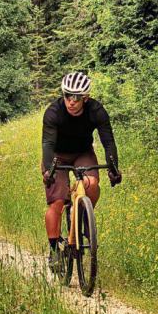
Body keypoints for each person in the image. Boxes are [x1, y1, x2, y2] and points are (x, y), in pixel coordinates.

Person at [41, 71, 122, 266]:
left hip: (82, 153)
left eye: (76, 97)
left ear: (85, 98)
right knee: (57, 202)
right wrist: (48, 171)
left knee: (92, 184)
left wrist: (113, 168)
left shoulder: (96, 111)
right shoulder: (53, 112)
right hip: (57, 157)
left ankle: (83, 216)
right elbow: (48, 144)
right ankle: (54, 252)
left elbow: (108, 141)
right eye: (67, 95)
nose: (71, 101)